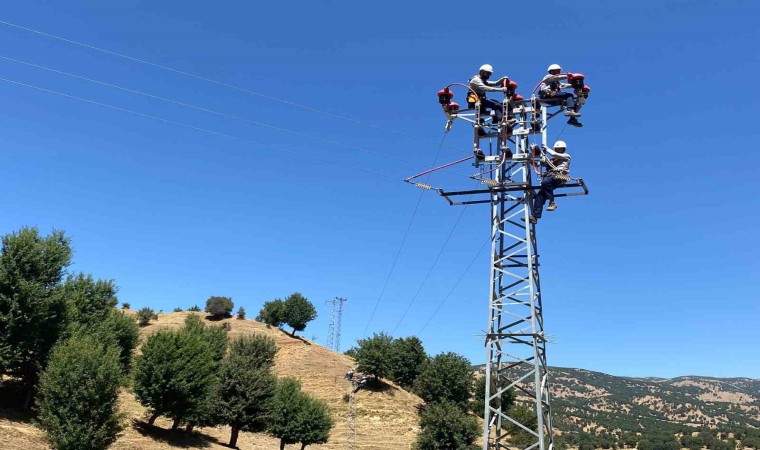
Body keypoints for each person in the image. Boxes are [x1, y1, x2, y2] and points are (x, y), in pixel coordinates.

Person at [531, 141, 571, 223]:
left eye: (560, 149)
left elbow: (554, 154)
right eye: (557, 149)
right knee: (540, 196)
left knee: (545, 183)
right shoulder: (552, 161)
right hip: (551, 178)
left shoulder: (566, 156)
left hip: (561, 176)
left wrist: (546, 148)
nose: (559, 150)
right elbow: (539, 164)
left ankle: (552, 203)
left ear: (563, 150)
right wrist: (530, 159)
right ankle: (535, 216)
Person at [538, 64, 583, 128]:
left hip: (554, 97)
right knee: (569, 95)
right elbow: (556, 77)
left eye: (559, 71)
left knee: (575, 103)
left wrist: (574, 85)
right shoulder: (548, 77)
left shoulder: (557, 82)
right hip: (547, 95)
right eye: (557, 71)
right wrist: (567, 76)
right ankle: (569, 110)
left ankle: (572, 119)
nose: (559, 73)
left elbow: (563, 85)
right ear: (552, 71)